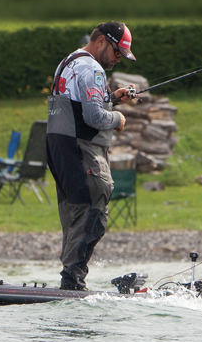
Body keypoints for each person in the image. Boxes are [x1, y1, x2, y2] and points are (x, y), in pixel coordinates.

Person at [46, 21, 137, 290]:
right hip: (80, 148)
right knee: (93, 210)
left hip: (58, 146)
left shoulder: (70, 61)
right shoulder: (93, 68)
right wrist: (118, 117)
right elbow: (93, 116)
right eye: (117, 52)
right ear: (101, 42)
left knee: (75, 212)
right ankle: (73, 281)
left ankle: (69, 276)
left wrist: (110, 97)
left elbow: (80, 103)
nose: (118, 58)